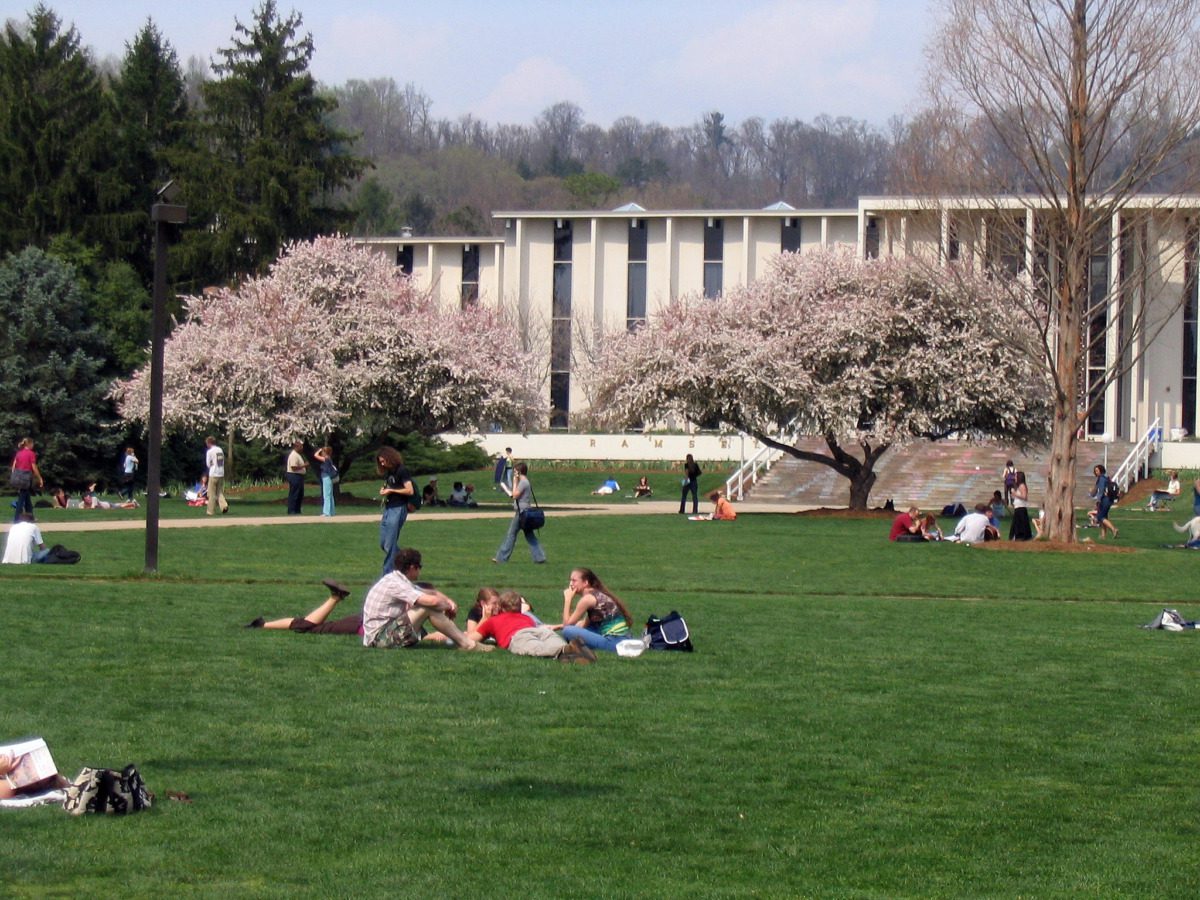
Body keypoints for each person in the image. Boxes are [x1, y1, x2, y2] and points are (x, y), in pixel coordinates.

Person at [360, 547, 491, 651]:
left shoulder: (397, 580)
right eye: (419, 567)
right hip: (379, 640)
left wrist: (449, 601)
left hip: (383, 634)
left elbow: (430, 592)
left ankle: (466, 642)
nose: (420, 571)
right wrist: (447, 606)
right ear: (412, 568)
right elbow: (432, 601)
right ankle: (468, 645)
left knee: (428, 605)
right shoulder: (396, 584)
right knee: (427, 607)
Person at [468, 590, 589, 659]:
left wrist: (484, 619)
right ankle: (568, 650)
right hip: (538, 630)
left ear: (502, 608)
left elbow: (470, 639)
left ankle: (564, 651)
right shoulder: (526, 617)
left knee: (536, 648)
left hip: (518, 636)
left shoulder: (492, 621)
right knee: (551, 639)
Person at [557, 567, 634, 653]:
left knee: (567, 631)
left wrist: (568, 599)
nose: (570, 584)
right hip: (624, 638)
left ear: (585, 582)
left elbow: (566, 625)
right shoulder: (596, 594)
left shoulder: (587, 599)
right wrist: (554, 627)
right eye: (570, 580)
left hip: (614, 642)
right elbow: (583, 624)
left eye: (574, 581)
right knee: (580, 627)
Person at [245, 579, 362, 634]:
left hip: (365, 624)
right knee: (309, 626)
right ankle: (261, 625)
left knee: (310, 627)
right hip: (365, 620)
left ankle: (336, 596)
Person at [493, 461, 546, 564]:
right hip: (524, 511)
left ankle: (501, 558)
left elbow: (515, 495)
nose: (514, 473)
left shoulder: (523, 482)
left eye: (515, 471)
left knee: (511, 535)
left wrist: (514, 482)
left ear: (519, 472)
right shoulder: (525, 482)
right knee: (529, 535)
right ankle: (540, 557)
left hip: (522, 513)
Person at [377, 446, 415, 575]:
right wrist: (385, 490)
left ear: (390, 458)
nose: (382, 464)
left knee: (390, 544)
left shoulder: (402, 471)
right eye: (380, 462)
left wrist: (392, 490)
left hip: (398, 508)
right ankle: (408, 559)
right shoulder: (389, 473)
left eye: (384, 461)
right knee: (384, 544)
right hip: (389, 508)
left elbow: (410, 490)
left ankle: (387, 573)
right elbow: (391, 485)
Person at [9, 437, 43, 523]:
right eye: (33, 444)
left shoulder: (19, 453)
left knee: (27, 498)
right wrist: (40, 478)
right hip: (25, 478)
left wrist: (15, 476)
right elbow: (34, 467)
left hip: (17, 477)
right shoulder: (31, 453)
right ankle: (16, 519)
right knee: (21, 499)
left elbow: (13, 467)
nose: (33, 445)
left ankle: (30, 517)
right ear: (29, 444)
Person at [1091, 464, 1119, 539]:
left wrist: (1098, 500)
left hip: (1105, 500)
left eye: (1097, 470)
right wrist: (1092, 494)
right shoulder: (1105, 478)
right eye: (1095, 471)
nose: (1096, 472)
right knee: (1104, 517)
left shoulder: (1101, 479)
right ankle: (1103, 536)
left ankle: (1114, 529)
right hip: (1109, 500)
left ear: (1101, 470)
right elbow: (1095, 492)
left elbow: (1101, 490)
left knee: (1100, 517)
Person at [204, 436, 229, 516]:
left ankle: (210, 511)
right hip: (221, 473)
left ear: (209, 443)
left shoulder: (210, 451)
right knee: (219, 492)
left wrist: (211, 463)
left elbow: (208, 464)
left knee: (211, 493)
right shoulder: (220, 450)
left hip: (213, 473)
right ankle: (224, 506)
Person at [284, 440, 308, 515]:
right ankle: (292, 510)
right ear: (296, 447)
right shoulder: (293, 455)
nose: (302, 448)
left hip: (299, 476)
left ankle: (297, 510)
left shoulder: (298, 455)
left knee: (300, 493)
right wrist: (304, 465)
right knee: (295, 493)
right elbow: (293, 467)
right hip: (294, 475)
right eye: (301, 446)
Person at [1009, 471, 1033, 541]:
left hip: (1021, 508)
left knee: (1021, 523)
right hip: (1018, 507)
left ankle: (1022, 537)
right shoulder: (1019, 486)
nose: (1015, 478)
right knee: (1017, 523)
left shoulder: (1022, 485)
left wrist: (1015, 494)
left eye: (1016, 476)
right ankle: (1016, 536)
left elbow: (1024, 497)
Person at [313, 446, 336, 517]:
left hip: (326, 477)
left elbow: (315, 455)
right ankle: (331, 511)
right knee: (330, 495)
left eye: (323, 452)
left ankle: (326, 512)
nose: (321, 453)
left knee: (326, 495)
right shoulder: (329, 459)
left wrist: (319, 450)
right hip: (329, 477)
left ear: (325, 452)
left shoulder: (326, 458)